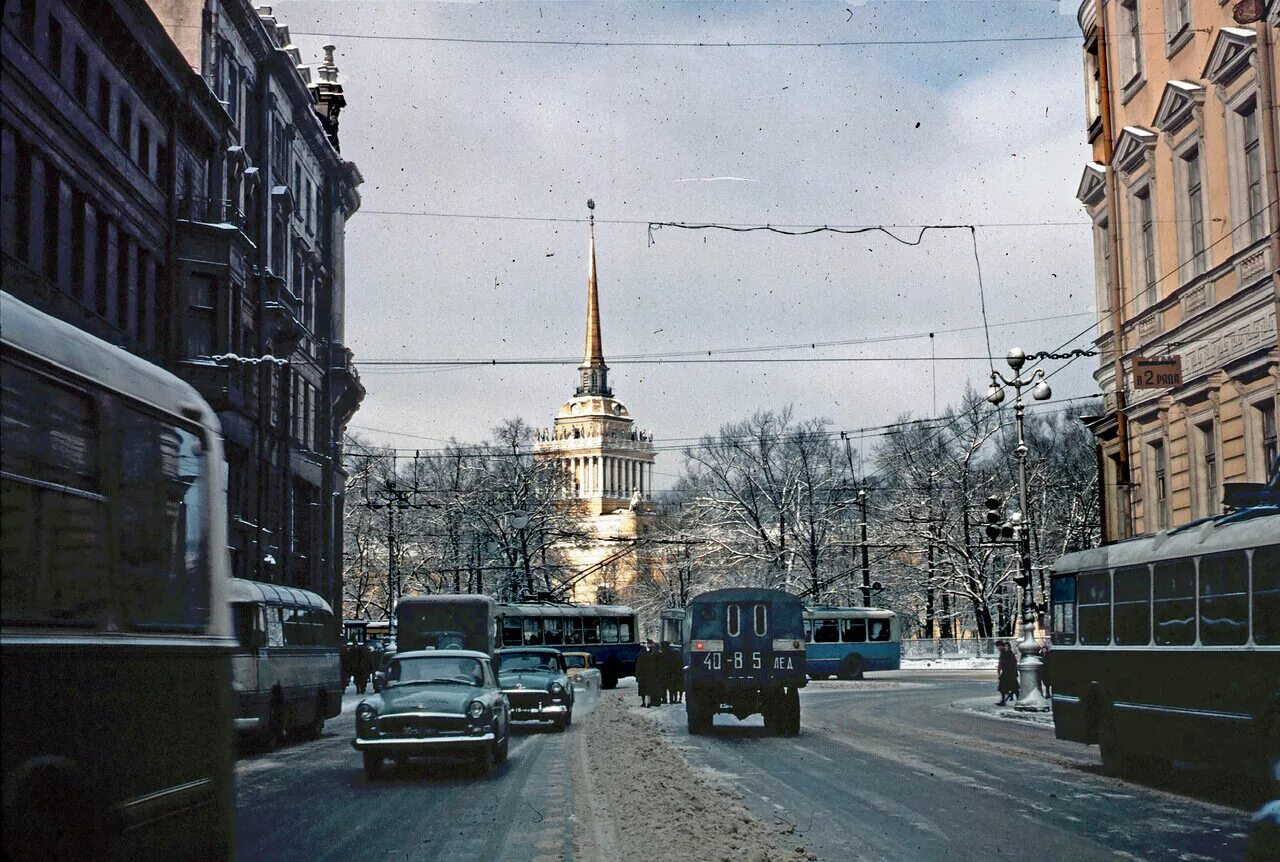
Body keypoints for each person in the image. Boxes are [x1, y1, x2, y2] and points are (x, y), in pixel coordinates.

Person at [996, 639, 1019, 705]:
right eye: (1005, 646)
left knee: (1014, 688)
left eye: (1007, 646)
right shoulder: (1003, 653)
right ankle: (1003, 700)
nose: (1005, 648)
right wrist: (999, 670)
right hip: (1006, 673)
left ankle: (1018, 700)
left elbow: (1013, 664)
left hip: (1011, 673)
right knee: (1002, 688)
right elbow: (1001, 662)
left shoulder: (1010, 654)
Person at [635, 641, 656, 707]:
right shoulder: (649, 656)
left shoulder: (640, 657)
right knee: (648, 690)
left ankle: (643, 702)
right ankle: (649, 702)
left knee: (642, 690)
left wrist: (637, 676)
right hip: (648, 675)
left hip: (642, 676)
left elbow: (638, 667)